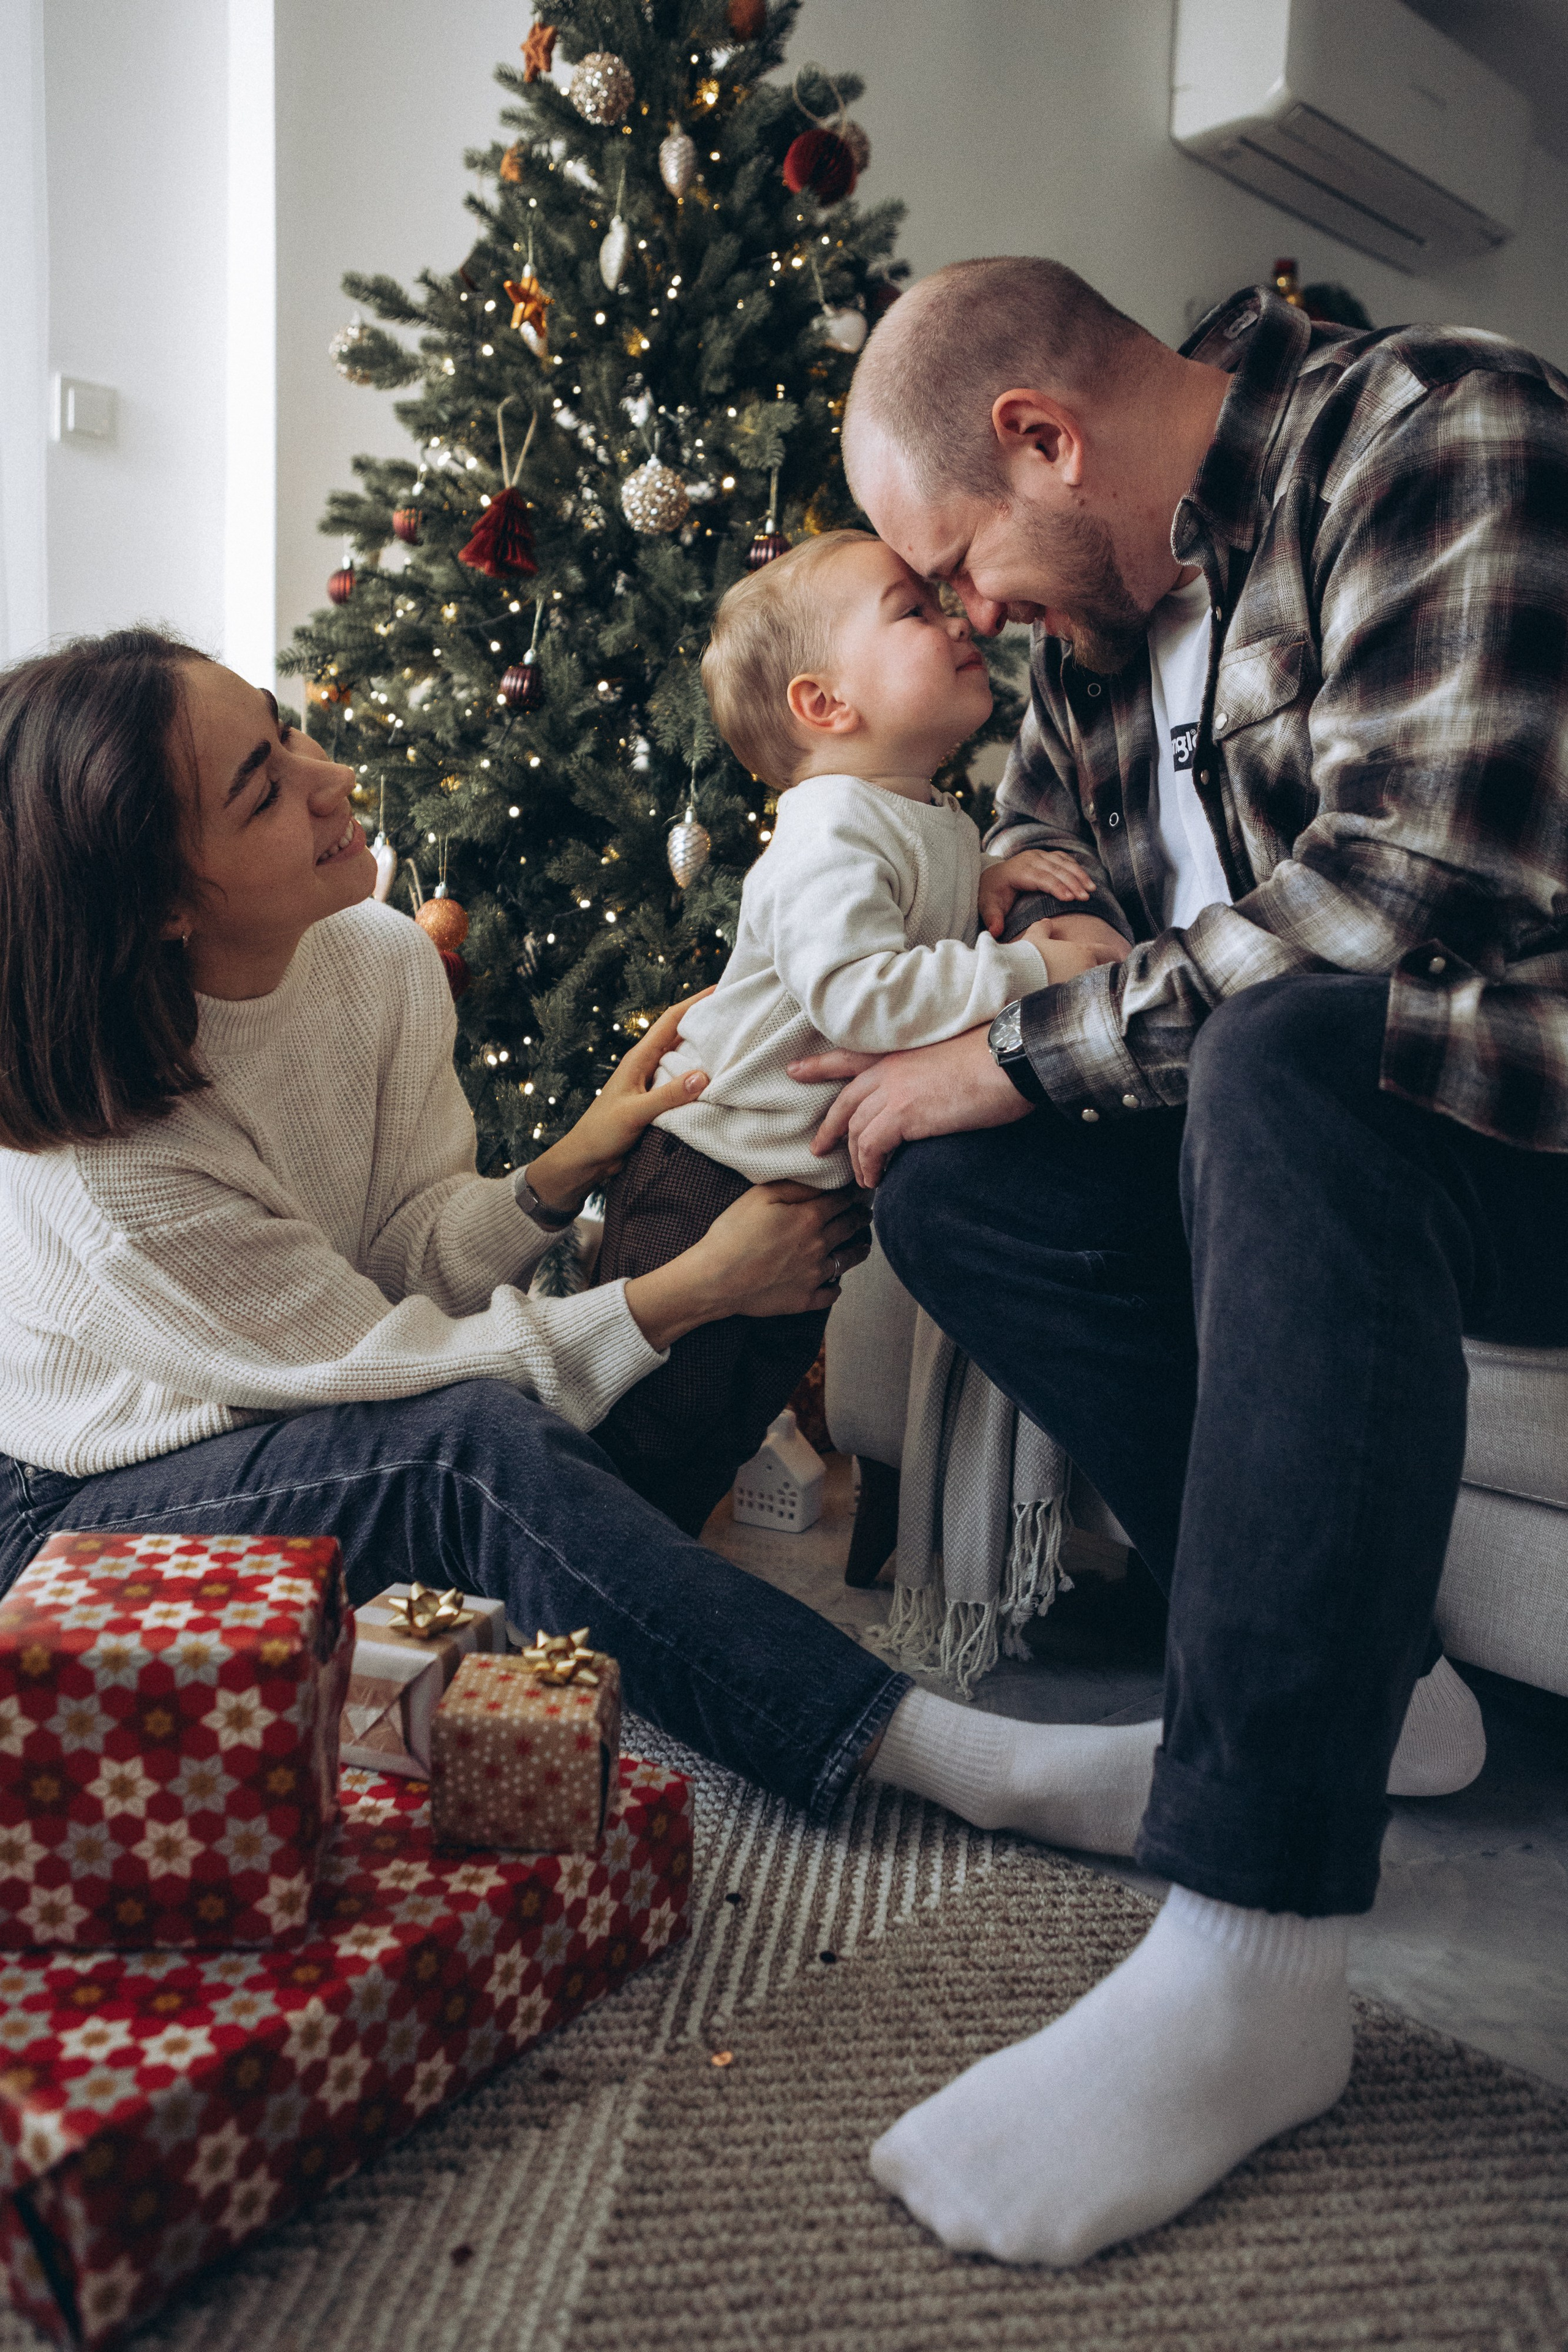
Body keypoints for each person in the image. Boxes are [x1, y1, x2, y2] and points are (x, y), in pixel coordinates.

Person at [785, 255, 1568, 2265]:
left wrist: (1020, 1039)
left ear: (1046, 438)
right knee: (953, 1184)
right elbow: (1036, 841)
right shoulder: (1099, 626)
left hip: (1518, 1121)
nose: (965, 617)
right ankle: (1389, 1689)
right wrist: (1032, 912)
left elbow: (1403, 903)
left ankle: (1253, 1948)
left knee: (1291, 1049)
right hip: (1297, 1121)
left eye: (957, 564)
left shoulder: (1438, 432)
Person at [0, 626, 1207, 1858]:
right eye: (263, 789)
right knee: (465, 1456)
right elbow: (391, 1372)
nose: (332, 778)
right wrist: (687, 1290)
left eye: (287, 729)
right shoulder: (112, 1167)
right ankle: (966, 1765)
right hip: (84, 1508)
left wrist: (558, 1170)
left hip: (298, 1397)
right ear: (160, 903)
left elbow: (397, 1254)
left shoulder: (373, 956)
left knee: (507, 1459)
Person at [592, 526, 1109, 1532]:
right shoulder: (827, 824)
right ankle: (583, 1577)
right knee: (654, 1418)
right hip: (708, 1169)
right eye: (914, 611)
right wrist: (1032, 968)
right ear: (825, 704)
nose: (957, 620)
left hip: (795, 1188)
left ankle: (654, 1578)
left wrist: (985, 880)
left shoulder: (919, 815)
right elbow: (860, 995)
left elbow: (903, 921)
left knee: (729, 1421)